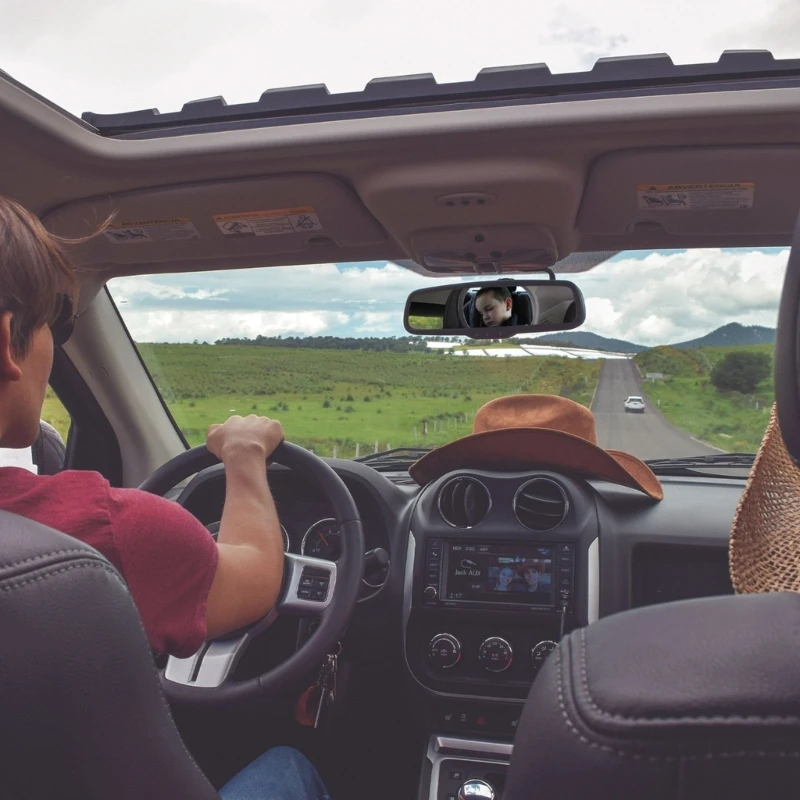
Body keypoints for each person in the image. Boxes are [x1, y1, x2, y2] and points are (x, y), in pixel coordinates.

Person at [0, 196, 330, 800]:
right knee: (290, 766)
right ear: (6, 340)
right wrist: (245, 457)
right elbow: (256, 579)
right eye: (55, 324)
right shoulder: (98, 535)